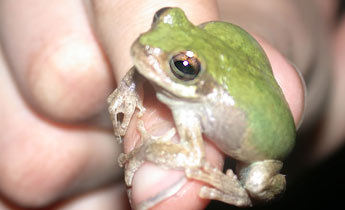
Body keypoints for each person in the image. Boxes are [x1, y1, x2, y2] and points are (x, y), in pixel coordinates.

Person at [0, 0, 343, 209]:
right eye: (161, 17)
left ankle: (240, 190)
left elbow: (192, 159)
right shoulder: (166, 62)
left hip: (264, 154)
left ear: (196, 78)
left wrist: (144, 151)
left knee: (254, 181)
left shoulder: (198, 107)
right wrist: (131, 84)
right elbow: (149, 53)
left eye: (182, 66)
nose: (145, 44)